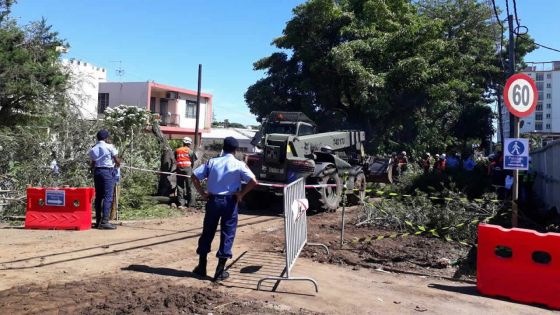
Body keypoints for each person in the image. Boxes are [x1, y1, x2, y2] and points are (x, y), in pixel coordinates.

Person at [191, 137, 258, 281]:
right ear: (236, 150)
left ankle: (202, 267)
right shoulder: (239, 164)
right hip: (230, 202)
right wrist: (241, 194)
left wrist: (202, 193)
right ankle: (219, 271)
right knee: (227, 233)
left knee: (207, 231)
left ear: (223, 147)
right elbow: (253, 181)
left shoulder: (212, 162)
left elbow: (194, 176)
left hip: (213, 200)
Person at [89, 130, 120, 230]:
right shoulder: (109, 146)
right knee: (108, 196)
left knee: (99, 196)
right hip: (107, 172)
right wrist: (117, 164)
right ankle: (105, 221)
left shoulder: (94, 148)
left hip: (97, 172)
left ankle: (98, 220)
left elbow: (93, 164)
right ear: (106, 138)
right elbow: (117, 160)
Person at [175, 136, 195, 208]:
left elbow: (176, 159)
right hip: (188, 169)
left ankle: (181, 204)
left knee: (180, 186)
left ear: (183, 142)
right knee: (189, 186)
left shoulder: (177, 150)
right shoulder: (190, 151)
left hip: (179, 169)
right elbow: (193, 161)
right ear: (189, 143)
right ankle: (191, 204)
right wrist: (190, 168)